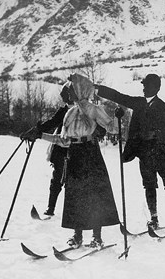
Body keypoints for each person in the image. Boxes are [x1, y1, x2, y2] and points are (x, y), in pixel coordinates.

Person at [21, 73, 119, 249]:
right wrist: (40, 135)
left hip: (91, 154)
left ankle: (97, 237)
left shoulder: (93, 109)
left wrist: (117, 117)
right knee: (75, 195)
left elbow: (112, 128)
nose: (68, 91)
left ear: (80, 89)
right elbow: (64, 140)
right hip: (74, 154)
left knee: (94, 194)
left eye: (71, 88)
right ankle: (77, 235)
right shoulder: (69, 113)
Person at [94, 73, 165, 230]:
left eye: (147, 85)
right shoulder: (138, 103)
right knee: (149, 185)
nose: (143, 88)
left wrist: (156, 133)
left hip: (163, 154)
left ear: (156, 88)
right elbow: (119, 96)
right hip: (145, 155)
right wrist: (98, 89)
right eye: (143, 85)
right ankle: (154, 218)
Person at [22, 85, 74, 216]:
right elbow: (51, 123)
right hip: (60, 149)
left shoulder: (82, 111)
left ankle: (71, 213)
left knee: (72, 181)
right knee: (57, 178)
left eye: (68, 97)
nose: (67, 100)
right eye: (66, 98)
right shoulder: (63, 111)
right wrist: (37, 131)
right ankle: (51, 208)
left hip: (76, 149)